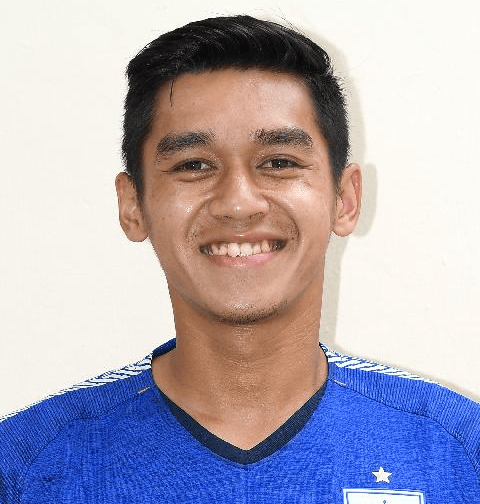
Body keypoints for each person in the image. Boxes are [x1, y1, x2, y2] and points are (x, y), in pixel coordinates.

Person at [0, 14, 478, 503]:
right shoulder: (22, 468)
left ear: (345, 199)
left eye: (279, 163)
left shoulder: (460, 453)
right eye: (194, 165)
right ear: (132, 206)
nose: (238, 203)